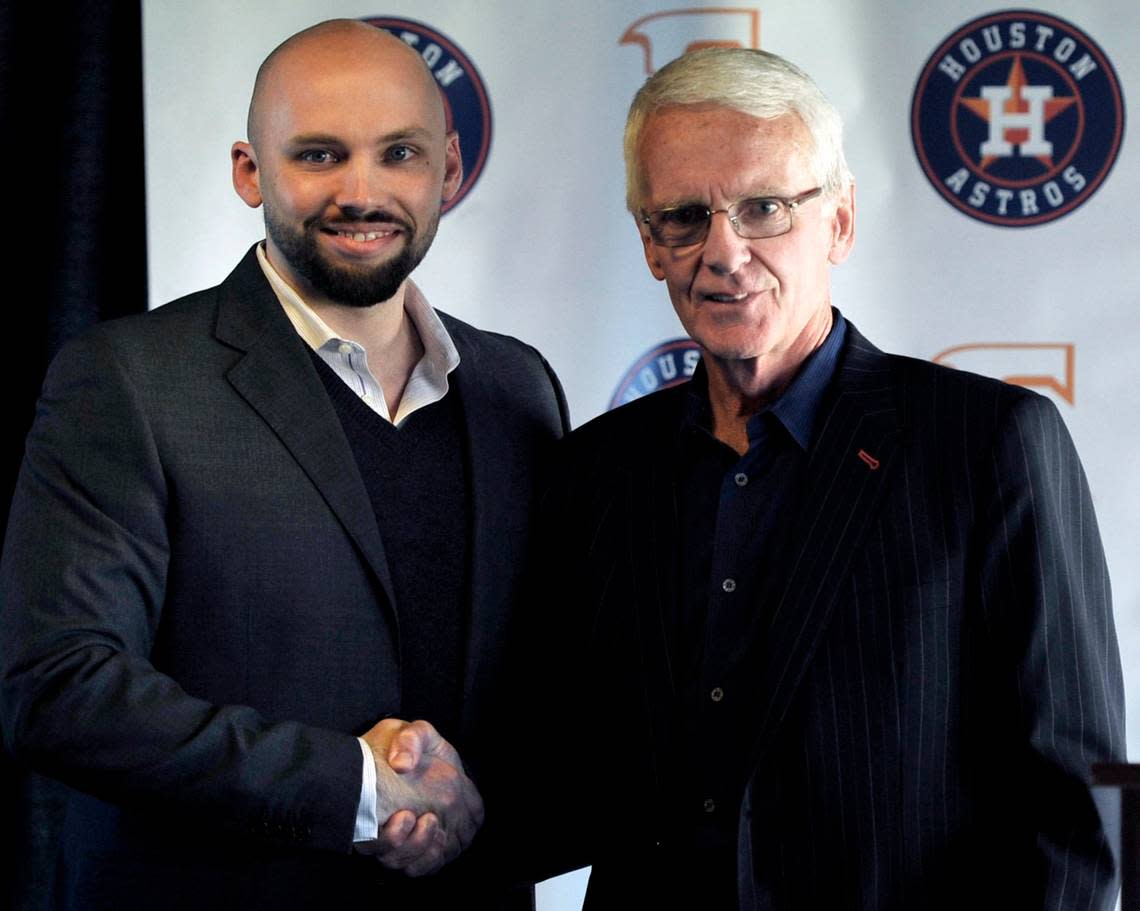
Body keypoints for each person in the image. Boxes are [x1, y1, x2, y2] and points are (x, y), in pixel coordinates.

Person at [532, 47, 1124, 909]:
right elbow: (572, 774)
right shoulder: (599, 469)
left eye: (764, 207)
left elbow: (1074, 811)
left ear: (840, 221)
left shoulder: (989, 444)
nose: (724, 252)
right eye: (686, 216)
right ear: (651, 246)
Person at [0, 19, 567, 910]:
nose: (361, 190)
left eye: (399, 154)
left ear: (449, 171)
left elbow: (544, 684)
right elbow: (62, 688)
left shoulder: (519, 389)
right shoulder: (130, 380)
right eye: (318, 154)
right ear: (249, 170)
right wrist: (358, 786)